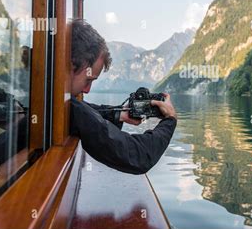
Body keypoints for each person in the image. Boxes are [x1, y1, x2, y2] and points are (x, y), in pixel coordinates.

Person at [69, 19, 177, 174]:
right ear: (71, 65)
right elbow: (139, 155)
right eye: (88, 80)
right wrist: (170, 120)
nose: (86, 90)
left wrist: (120, 114)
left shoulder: (54, 101)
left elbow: (87, 112)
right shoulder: (64, 107)